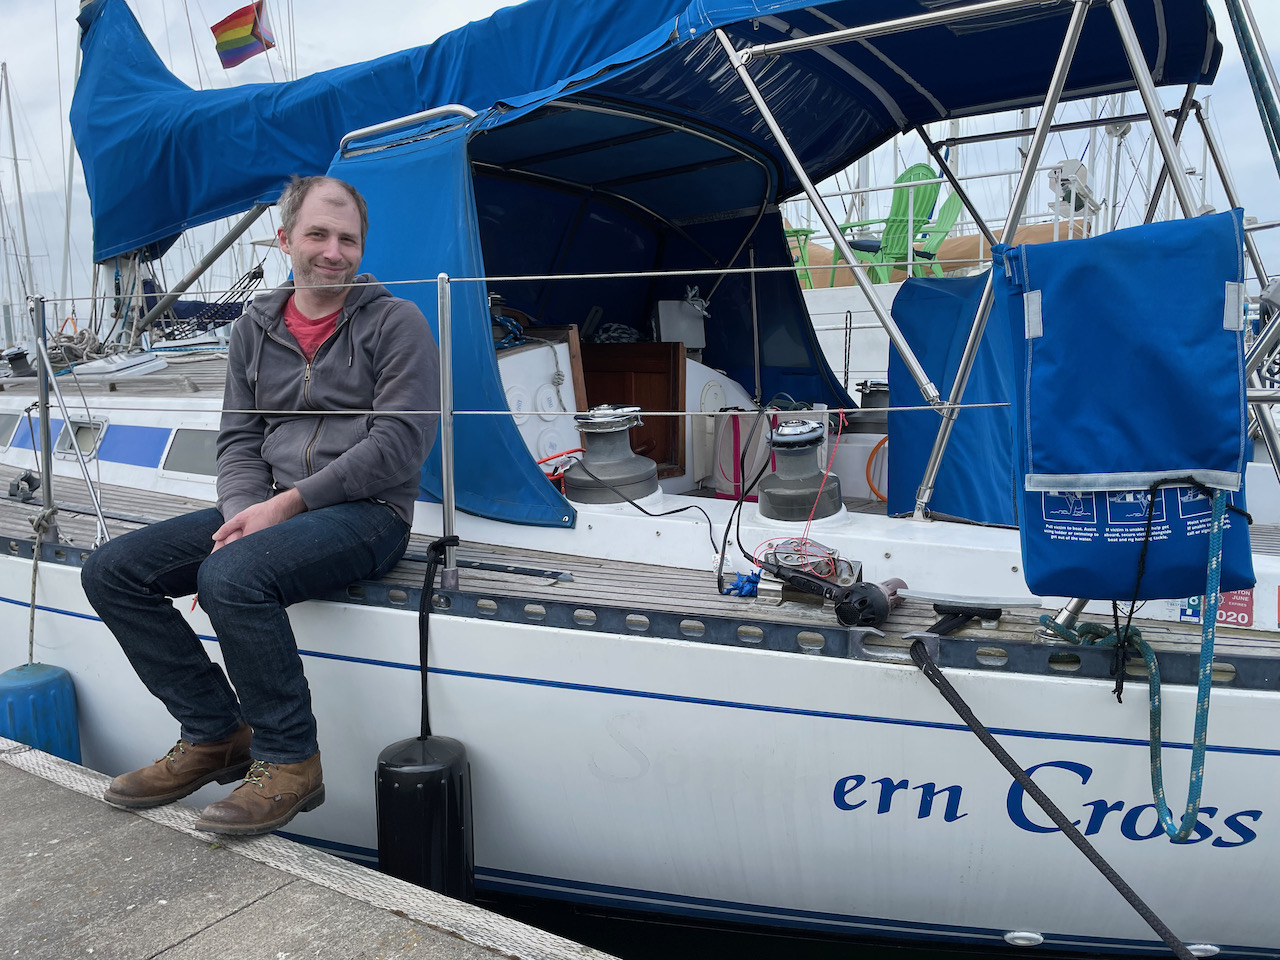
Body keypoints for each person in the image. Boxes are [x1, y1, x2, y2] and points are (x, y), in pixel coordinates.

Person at [81, 175, 439, 836]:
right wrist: (247, 509)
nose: (334, 251)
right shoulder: (256, 325)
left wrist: (288, 507)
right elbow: (240, 439)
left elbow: (401, 444)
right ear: (285, 240)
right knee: (112, 571)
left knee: (231, 575)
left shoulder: (396, 322)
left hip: (368, 513)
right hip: (272, 504)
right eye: (318, 235)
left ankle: (290, 761)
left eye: (348, 239)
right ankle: (214, 733)